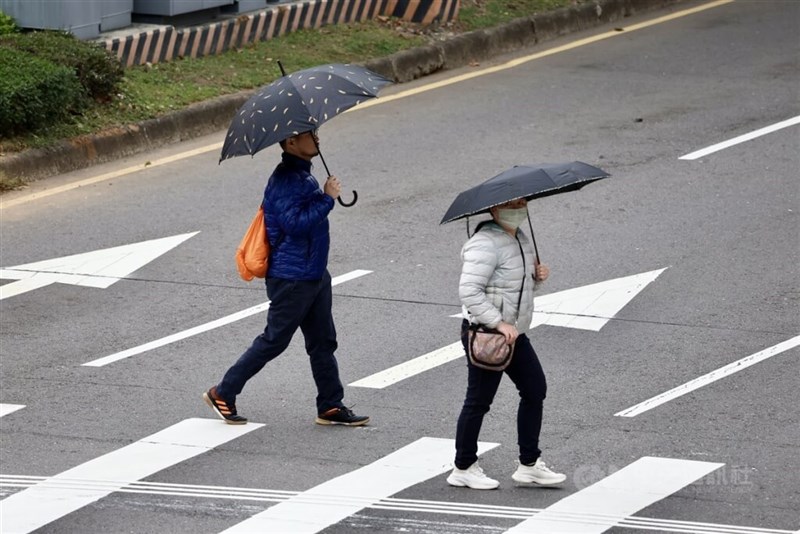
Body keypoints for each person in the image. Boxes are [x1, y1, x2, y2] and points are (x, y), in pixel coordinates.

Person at [204, 129, 369, 427]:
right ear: (291, 142)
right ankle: (223, 392)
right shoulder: (285, 179)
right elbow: (294, 225)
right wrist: (328, 199)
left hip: (314, 273)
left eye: (317, 132)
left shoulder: (302, 176)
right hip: (292, 278)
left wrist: (322, 196)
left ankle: (330, 405)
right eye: (310, 135)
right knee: (274, 340)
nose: (317, 139)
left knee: (323, 342)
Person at [447, 197, 565, 490]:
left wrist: (537, 278)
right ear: (495, 209)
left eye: (523, 201)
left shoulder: (520, 238)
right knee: (479, 400)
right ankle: (463, 466)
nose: (520, 207)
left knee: (535, 389)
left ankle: (529, 464)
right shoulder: (484, 243)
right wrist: (498, 323)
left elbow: (513, 287)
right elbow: (469, 291)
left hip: (514, 332)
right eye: (513, 203)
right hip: (488, 333)